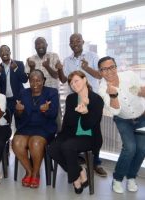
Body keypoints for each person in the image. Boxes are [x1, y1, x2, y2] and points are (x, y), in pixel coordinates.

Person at [56, 33, 107, 177]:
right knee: (73, 127)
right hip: (74, 99)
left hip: (92, 99)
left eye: (77, 40)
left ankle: (96, 162)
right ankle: (75, 157)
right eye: (72, 41)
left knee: (93, 129)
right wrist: (60, 68)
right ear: (70, 44)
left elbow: (99, 75)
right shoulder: (67, 60)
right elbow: (64, 79)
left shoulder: (92, 55)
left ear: (83, 42)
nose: (75, 43)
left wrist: (87, 67)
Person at [48, 70, 104, 194]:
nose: (73, 85)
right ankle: (79, 170)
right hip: (70, 133)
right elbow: (67, 121)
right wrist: (60, 136)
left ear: (85, 80)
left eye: (76, 81)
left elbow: (87, 126)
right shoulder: (71, 98)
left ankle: (75, 181)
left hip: (89, 136)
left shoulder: (97, 100)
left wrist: (85, 113)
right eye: (71, 83)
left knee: (68, 146)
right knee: (52, 148)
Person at [98, 56, 145, 194]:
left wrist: (139, 91)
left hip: (142, 117)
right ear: (100, 72)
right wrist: (113, 95)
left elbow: (142, 91)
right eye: (104, 69)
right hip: (122, 120)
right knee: (130, 148)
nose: (109, 71)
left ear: (116, 67)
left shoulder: (129, 76)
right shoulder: (102, 89)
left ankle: (131, 177)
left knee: (142, 149)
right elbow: (115, 111)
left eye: (112, 67)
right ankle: (117, 179)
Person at [12, 69, 59, 188]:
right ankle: (29, 171)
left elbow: (54, 114)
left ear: (43, 81)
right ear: (29, 81)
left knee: (36, 142)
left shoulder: (52, 92)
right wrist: (18, 110)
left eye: (38, 81)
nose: (35, 84)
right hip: (26, 126)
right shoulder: (23, 93)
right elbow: (18, 115)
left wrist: (46, 111)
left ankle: (36, 173)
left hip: (44, 127)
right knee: (16, 142)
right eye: (32, 81)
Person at [25, 36, 63, 132]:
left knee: (56, 118)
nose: (40, 46)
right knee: (40, 118)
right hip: (37, 94)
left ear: (46, 45)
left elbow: (56, 76)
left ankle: (57, 139)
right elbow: (30, 79)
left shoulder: (54, 56)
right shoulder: (30, 59)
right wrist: (32, 67)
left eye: (42, 43)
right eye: (38, 44)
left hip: (52, 93)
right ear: (35, 46)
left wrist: (47, 66)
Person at [0, 45, 28, 118]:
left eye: (6, 50)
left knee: (20, 119)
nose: (4, 53)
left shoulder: (19, 64)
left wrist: (16, 69)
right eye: (1, 51)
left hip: (19, 98)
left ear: (10, 52)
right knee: (7, 121)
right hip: (6, 100)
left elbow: (25, 80)